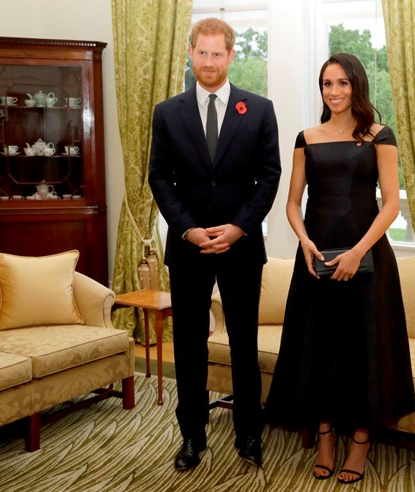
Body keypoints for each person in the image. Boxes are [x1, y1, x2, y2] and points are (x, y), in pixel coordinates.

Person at [265, 53, 415, 485]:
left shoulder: (379, 136)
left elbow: (389, 205)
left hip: (367, 259)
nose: (334, 91)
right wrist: (306, 243)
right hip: (316, 260)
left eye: (343, 83)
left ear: (357, 86)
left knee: (363, 350)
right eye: (327, 83)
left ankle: (361, 442)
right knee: (321, 349)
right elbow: (293, 203)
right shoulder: (306, 138)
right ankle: (326, 436)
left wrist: (355, 252)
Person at [149, 17, 281, 471]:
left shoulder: (259, 109)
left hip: (241, 246)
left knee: (244, 343)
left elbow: (270, 178)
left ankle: (248, 434)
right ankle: (191, 437)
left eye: (217, 53)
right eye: (201, 53)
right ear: (190, 53)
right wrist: (187, 228)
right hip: (188, 247)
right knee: (188, 345)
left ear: (231, 55)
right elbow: (159, 179)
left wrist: (238, 228)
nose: (209, 61)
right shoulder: (167, 112)